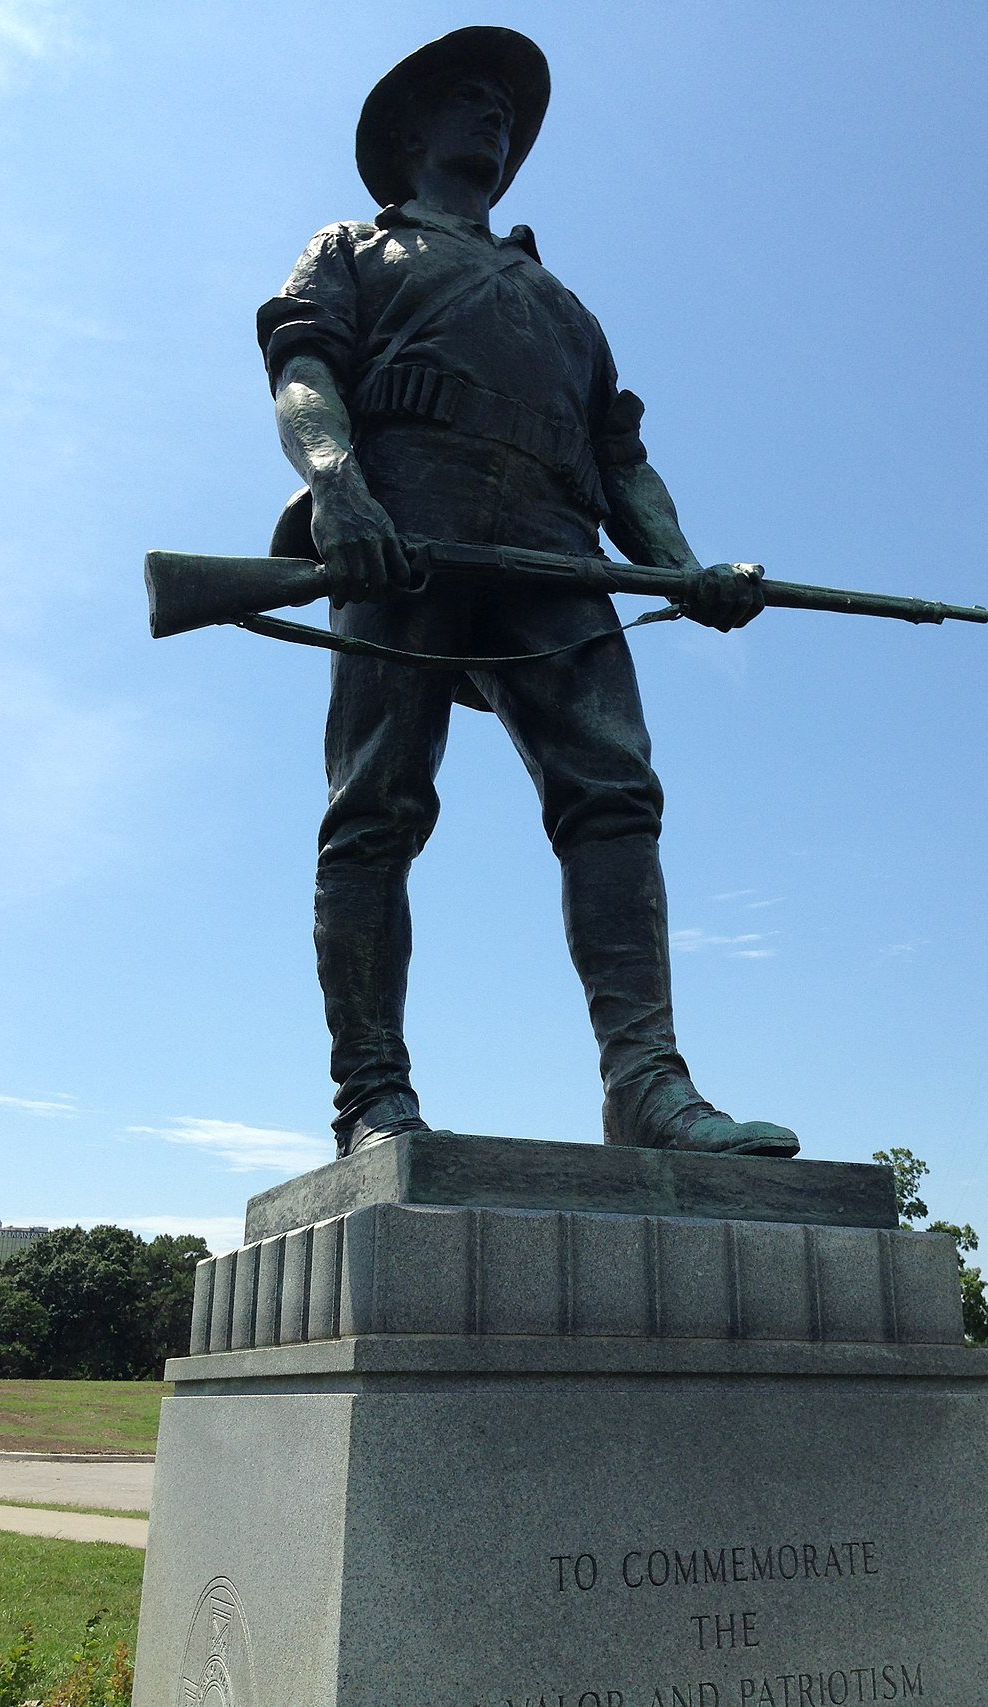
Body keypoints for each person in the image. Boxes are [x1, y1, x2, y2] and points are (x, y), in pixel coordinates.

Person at [257, 27, 798, 1161]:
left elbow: (620, 463)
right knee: (377, 805)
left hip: (558, 557)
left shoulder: (563, 306)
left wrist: (681, 565)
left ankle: (646, 1086)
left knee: (613, 798)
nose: (494, 119)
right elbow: (304, 372)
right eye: (469, 100)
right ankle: (369, 1095)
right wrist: (339, 492)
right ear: (410, 135)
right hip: (403, 538)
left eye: (505, 109)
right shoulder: (353, 246)